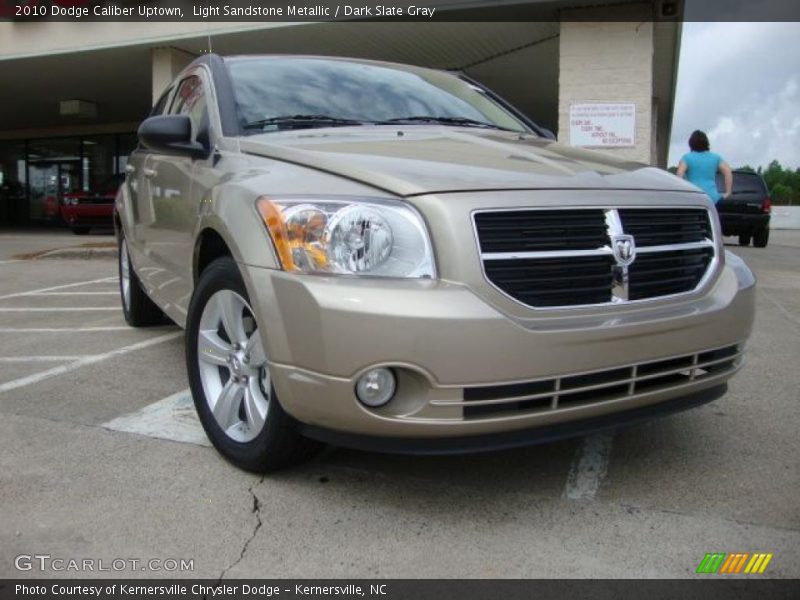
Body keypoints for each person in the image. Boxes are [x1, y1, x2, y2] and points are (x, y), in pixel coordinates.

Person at [676, 130, 732, 204]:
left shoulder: (686, 158)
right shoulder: (715, 157)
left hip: (693, 196)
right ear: (706, 143)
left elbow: (679, 175)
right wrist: (728, 192)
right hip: (712, 197)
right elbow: (728, 172)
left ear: (691, 143)